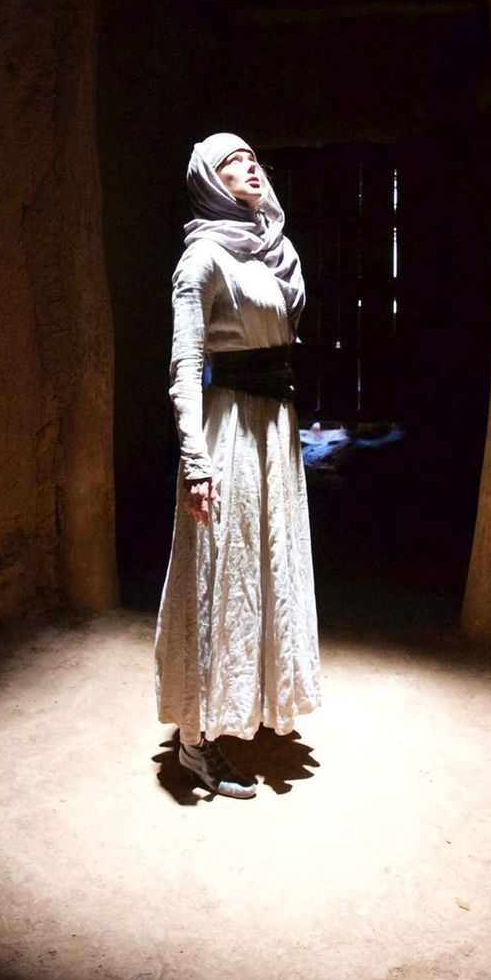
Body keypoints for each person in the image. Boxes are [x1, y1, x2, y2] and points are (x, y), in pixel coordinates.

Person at [154, 133, 321, 798]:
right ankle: (195, 738)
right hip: (229, 434)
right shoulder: (203, 259)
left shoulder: (272, 251)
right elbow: (185, 368)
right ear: (208, 180)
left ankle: (246, 704)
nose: (249, 167)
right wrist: (196, 463)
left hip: (273, 430)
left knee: (264, 568)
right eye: (231, 162)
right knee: (217, 573)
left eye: (252, 158)